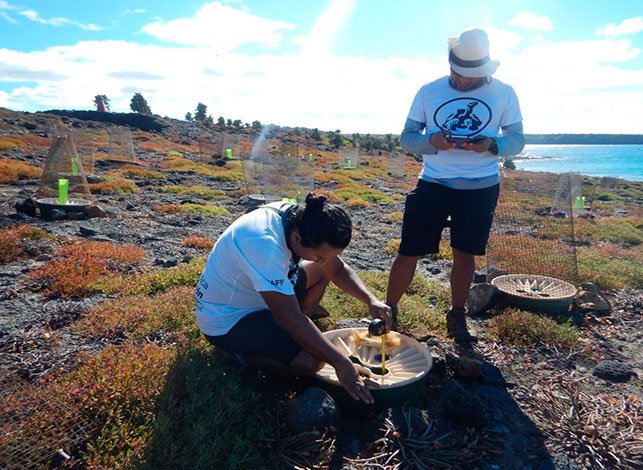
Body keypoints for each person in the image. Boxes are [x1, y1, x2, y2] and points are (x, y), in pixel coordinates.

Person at [386, 28, 525, 345]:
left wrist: (491, 145)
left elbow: (517, 140)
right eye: (456, 71)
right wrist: (431, 142)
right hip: (432, 183)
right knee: (409, 250)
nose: (461, 80)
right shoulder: (428, 91)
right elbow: (407, 137)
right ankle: (388, 308)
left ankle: (457, 314)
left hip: (480, 189)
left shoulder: (505, 93)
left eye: (469, 75)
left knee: (465, 255)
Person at [195, 193, 392, 404]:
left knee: (321, 272)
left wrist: (371, 300)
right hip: (228, 319)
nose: (324, 261)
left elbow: (337, 268)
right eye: (320, 256)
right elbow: (287, 317)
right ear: (297, 239)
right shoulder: (262, 244)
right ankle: (237, 354)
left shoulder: (298, 217)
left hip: (261, 296)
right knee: (312, 362)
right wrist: (341, 363)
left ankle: (299, 333)